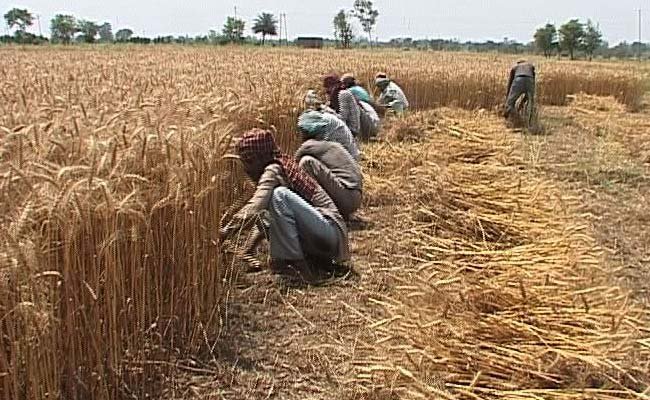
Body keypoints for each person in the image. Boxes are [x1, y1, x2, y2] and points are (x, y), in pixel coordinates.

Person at [220, 129, 350, 276]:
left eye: (248, 161)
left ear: (258, 158)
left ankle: (294, 264)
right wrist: (247, 249)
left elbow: (256, 205)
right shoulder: (281, 164)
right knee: (268, 208)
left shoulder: (273, 170)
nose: (246, 168)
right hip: (323, 235)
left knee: (278, 196)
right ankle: (305, 261)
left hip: (329, 231)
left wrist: (227, 230)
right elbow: (264, 216)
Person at [296, 133, 363, 220]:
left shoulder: (309, 145)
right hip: (355, 197)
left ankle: (316, 212)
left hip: (348, 197)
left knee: (306, 162)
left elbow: (294, 165)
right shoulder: (330, 146)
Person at [341, 73, 381, 139]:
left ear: (347, 84)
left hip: (368, 124)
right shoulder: (359, 88)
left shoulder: (349, 92)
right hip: (371, 113)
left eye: (343, 84)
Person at [504, 59, 536, 124]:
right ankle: (530, 121)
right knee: (530, 103)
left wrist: (508, 98)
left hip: (518, 79)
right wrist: (523, 102)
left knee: (510, 103)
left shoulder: (515, 67)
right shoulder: (530, 66)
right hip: (530, 80)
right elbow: (533, 79)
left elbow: (510, 83)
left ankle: (512, 117)